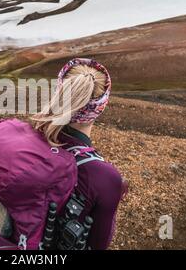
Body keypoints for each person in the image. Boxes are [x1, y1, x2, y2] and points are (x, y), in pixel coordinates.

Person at [31, 58, 127, 250]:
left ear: (60, 92)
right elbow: (99, 244)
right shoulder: (105, 177)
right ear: (101, 106)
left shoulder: (28, 143)